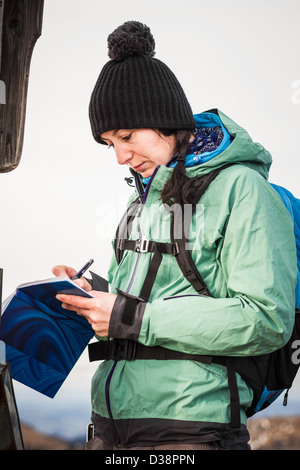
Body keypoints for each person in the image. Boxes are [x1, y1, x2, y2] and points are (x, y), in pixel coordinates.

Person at [53, 21, 297, 450]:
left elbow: (266, 320)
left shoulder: (242, 188)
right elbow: (138, 309)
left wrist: (131, 317)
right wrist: (93, 296)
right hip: (108, 424)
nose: (120, 157)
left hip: (191, 428)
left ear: (164, 119)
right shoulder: (139, 202)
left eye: (126, 137)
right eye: (109, 144)